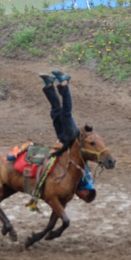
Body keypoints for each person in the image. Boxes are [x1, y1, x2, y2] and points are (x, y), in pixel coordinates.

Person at [39, 71, 96, 203]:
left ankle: (49, 86)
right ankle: (64, 83)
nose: (79, 196)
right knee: (65, 114)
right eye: (82, 196)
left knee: (56, 113)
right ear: (87, 192)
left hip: (63, 140)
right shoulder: (84, 181)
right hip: (72, 138)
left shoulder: (77, 185)